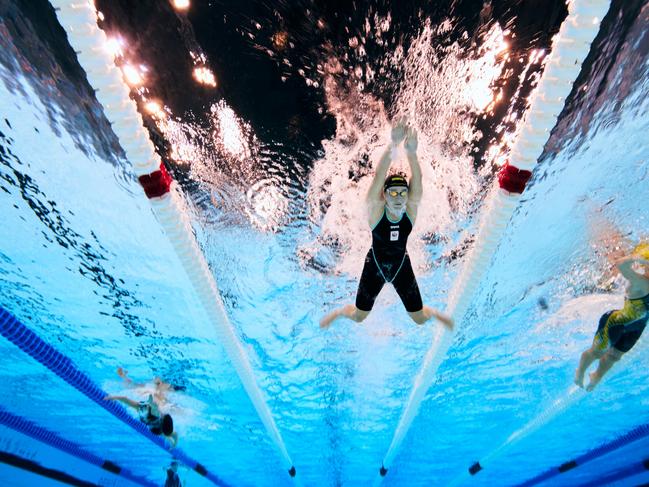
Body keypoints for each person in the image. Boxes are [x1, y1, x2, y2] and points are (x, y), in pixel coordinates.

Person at [320, 123, 453, 330]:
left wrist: (411, 153)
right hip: (375, 267)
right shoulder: (376, 212)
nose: (399, 197)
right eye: (393, 192)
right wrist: (393, 143)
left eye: (402, 192)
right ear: (384, 195)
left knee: (419, 319)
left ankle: (434, 313)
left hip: (401, 267)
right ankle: (339, 312)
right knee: (358, 317)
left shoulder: (410, 212)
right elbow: (379, 176)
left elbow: (417, 179)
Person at [575, 242, 649, 391]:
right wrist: (639, 258)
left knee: (614, 357)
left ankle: (596, 376)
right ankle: (580, 371)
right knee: (597, 353)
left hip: (636, 327)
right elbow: (621, 264)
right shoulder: (642, 282)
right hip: (614, 323)